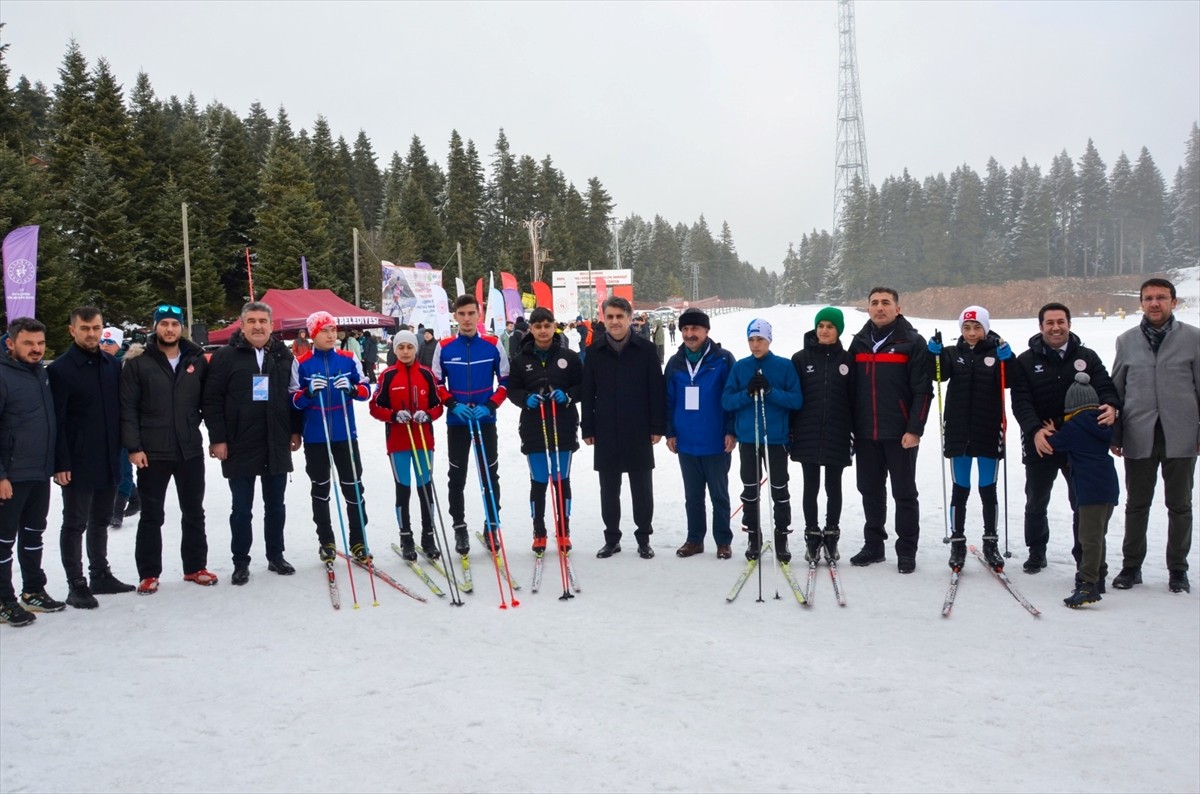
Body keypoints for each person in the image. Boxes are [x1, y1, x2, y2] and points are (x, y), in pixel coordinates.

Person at [1010, 302, 1120, 575]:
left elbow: (1106, 386)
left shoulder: (1088, 357)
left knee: (1081, 502)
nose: (1056, 327)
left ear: (1069, 324)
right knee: (1036, 500)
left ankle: (1084, 556)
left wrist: (1111, 405)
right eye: (1050, 322)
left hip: (1079, 443)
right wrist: (1034, 430)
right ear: (1041, 326)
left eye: (1061, 321)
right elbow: (1020, 401)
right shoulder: (1025, 360)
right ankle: (1037, 551)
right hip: (1043, 440)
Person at [1110, 278, 1199, 594]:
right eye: (1148, 298)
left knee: (1180, 506)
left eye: (1161, 297)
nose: (1155, 303)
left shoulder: (1193, 338)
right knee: (1137, 504)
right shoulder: (1127, 340)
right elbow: (1116, 390)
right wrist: (1115, 434)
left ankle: (1178, 570)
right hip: (1139, 432)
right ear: (1141, 303)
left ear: (1174, 302)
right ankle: (1131, 567)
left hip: (1181, 434)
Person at [120, 304, 216, 594]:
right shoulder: (139, 362)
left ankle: (195, 567)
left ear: (182, 327)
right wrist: (134, 447)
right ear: (155, 326)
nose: (170, 329)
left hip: (189, 450)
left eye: (175, 324)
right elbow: (127, 408)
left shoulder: (196, 359)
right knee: (152, 515)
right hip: (153, 452)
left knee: (193, 511)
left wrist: (214, 436)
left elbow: (208, 402)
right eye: (164, 324)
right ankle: (149, 573)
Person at [204, 302, 302, 586]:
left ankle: (276, 555)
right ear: (242, 324)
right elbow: (211, 400)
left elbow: (294, 396)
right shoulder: (225, 357)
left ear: (272, 325)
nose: (258, 326)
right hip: (239, 442)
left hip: (275, 440)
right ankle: (241, 561)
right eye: (252, 321)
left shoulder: (284, 355)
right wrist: (218, 438)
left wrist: (294, 431)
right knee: (241, 509)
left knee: (276, 505)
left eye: (263, 321)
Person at [47, 306, 135, 608]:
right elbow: (55, 420)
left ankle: (99, 573)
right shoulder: (59, 370)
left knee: (100, 519)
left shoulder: (112, 365)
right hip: (77, 461)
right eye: (84, 328)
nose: (91, 334)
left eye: (96, 328)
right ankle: (76, 583)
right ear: (72, 330)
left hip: (109, 456)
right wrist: (61, 463)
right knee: (74, 523)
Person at [846, 287, 933, 574]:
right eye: (874, 303)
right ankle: (874, 546)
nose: (879, 307)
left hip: (901, 434)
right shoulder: (858, 343)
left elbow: (923, 390)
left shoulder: (912, 342)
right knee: (870, 491)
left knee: (904, 493)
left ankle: (906, 550)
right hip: (866, 433)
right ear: (868, 308)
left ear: (898, 308)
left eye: (886, 303)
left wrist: (915, 428)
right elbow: (848, 390)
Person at [927, 306, 1013, 571]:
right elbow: (937, 375)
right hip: (958, 430)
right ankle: (958, 541)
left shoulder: (996, 351)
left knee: (988, 487)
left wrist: (1008, 359)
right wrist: (934, 356)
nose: (972, 333)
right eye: (967, 328)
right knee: (960, 488)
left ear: (985, 328)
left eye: (977, 327)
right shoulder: (954, 353)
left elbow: (1011, 380)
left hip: (988, 429)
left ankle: (991, 541)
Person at [582, 297, 666, 559]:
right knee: (609, 488)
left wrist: (657, 426)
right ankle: (612, 538)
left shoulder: (646, 350)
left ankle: (643, 538)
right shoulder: (595, 352)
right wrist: (588, 427)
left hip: (638, 428)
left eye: (620, 316)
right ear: (604, 319)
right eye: (610, 317)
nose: (615, 321)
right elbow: (588, 393)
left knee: (642, 488)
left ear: (630, 318)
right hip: (606, 428)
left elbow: (656, 390)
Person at [0, 318, 66, 626]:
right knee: (3, 539)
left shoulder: (41, 374)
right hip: (11, 475)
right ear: (11, 343)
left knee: (33, 533)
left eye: (40, 343)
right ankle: (3, 600)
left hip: (39, 471)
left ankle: (33, 590)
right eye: (28, 343)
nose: (36, 349)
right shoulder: (3, 374)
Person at [431, 295, 508, 555]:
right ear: (455, 316)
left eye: (471, 313)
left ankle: (491, 525)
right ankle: (459, 526)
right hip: (458, 421)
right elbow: (437, 384)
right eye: (461, 314)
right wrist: (453, 404)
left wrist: (491, 406)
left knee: (490, 475)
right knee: (457, 475)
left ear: (479, 315)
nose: (466, 319)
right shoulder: (444, 347)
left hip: (485, 420)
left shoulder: (493, 344)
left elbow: (506, 381)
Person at [294, 311, 372, 563]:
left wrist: (350, 388)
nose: (330, 335)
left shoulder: (348, 359)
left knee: (353, 488)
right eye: (324, 331)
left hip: (344, 434)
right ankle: (326, 541)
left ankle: (359, 541)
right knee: (321, 489)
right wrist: (307, 393)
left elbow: (365, 390)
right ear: (313, 334)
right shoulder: (302, 362)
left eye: (332, 330)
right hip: (316, 436)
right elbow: (292, 400)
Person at [722, 319, 803, 560]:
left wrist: (770, 391)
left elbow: (796, 400)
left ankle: (781, 537)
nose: (755, 345)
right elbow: (727, 401)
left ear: (769, 340)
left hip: (775, 439)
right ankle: (753, 536)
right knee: (750, 489)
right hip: (748, 438)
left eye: (760, 339)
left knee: (779, 487)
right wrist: (747, 393)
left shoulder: (784, 366)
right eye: (751, 339)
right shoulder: (740, 367)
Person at [506, 307, 583, 553]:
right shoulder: (520, 359)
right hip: (534, 427)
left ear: (554, 327)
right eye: (537, 326)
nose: (542, 330)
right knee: (539, 480)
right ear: (531, 329)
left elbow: (583, 386)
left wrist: (568, 395)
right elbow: (512, 390)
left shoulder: (569, 357)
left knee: (561, 480)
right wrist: (524, 398)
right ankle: (539, 531)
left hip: (563, 426)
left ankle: (563, 531)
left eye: (547, 325)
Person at [665, 309, 737, 559]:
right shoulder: (675, 363)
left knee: (719, 494)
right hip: (686, 442)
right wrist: (670, 432)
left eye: (694, 329)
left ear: (706, 331)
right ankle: (694, 539)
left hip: (716, 440)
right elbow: (668, 400)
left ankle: (723, 541)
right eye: (685, 329)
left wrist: (731, 430)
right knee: (692, 496)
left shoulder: (723, 360)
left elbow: (731, 398)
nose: (689, 334)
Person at [368, 330, 443, 560]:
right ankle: (406, 537)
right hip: (398, 442)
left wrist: (427, 414)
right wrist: (393, 415)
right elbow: (374, 407)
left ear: (415, 349)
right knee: (403, 489)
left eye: (409, 347)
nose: (405, 351)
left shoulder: (427, 374)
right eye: (400, 347)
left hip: (422, 440)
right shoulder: (388, 376)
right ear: (395, 350)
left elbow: (438, 406)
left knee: (424, 489)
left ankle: (428, 537)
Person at [789, 307, 854, 563]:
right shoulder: (800, 359)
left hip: (838, 432)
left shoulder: (848, 360)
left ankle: (831, 535)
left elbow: (854, 400)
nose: (824, 330)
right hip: (807, 432)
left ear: (838, 330)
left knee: (833, 486)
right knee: (810, 485)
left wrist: (853, 433)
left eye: (830, 326)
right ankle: (812, 535)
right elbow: (794, 399)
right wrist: (791, 432)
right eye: (821, 326)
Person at [1050, 373, 1120, 607]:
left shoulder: (1075, 426)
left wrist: (1052, 429)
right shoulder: (1103, 423)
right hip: (1108, 487)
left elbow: (1055, 444)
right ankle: (1099, 576)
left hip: (1089, 489)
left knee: (1088, 537)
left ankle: (1088, 584)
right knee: (1098, 534)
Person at [101, 327, 140, 529]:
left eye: (110, 342)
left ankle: (117, 510)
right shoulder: (95, 364)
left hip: (125, 424)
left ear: (118, 345)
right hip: (103, 426)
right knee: (111, 466)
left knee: (123, 467)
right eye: (103, 341)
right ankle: (134, 496)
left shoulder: (127, 365)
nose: (105, 345)